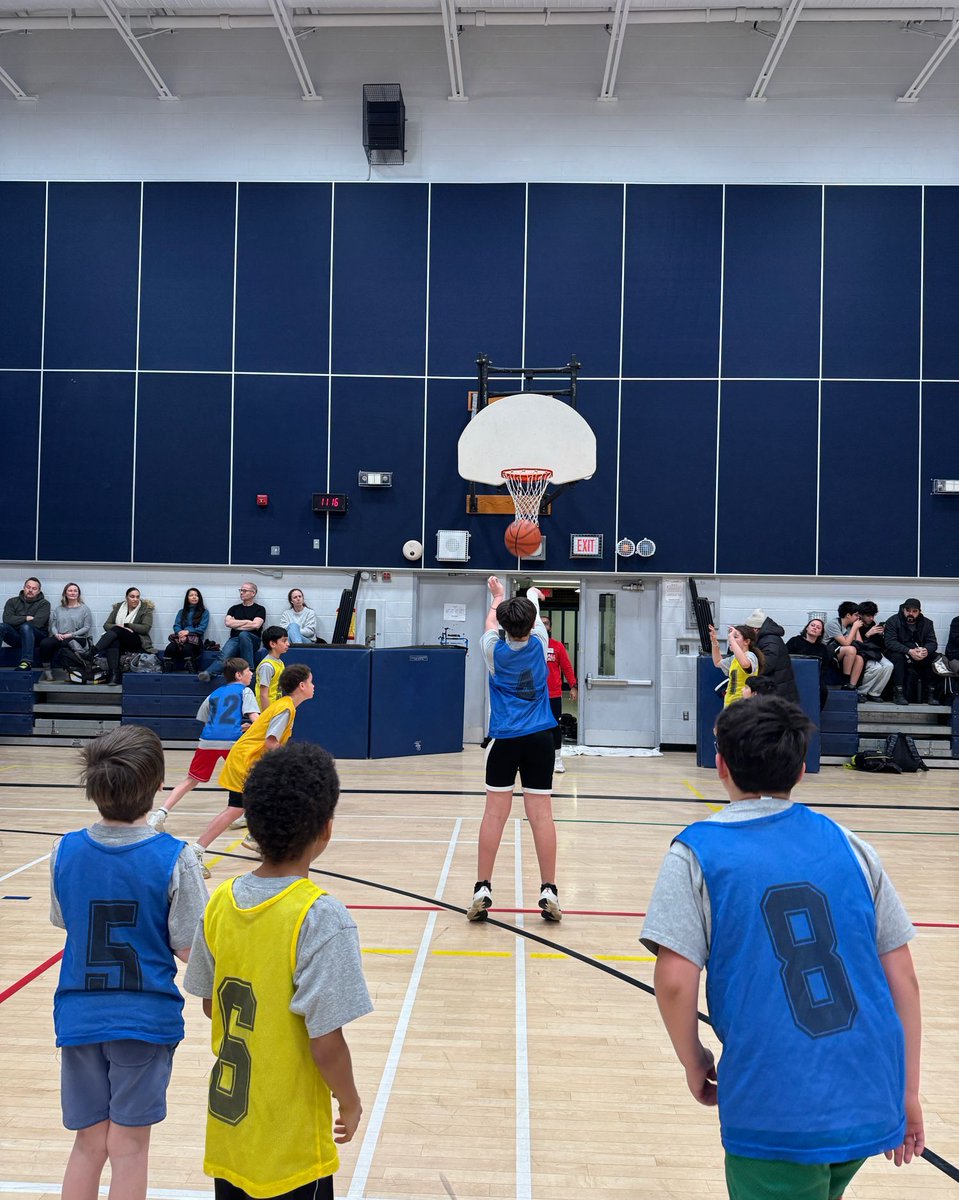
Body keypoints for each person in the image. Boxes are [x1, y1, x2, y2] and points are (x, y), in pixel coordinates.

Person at [641, 697, 923, 1200]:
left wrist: (694, 1058)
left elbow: (675, 980)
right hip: (866, 1089)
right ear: (799, 768)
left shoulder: (696, 852)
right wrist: (907, 1091)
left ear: (721, 764)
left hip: (777, 1101)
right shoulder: (851, 845)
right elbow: (904, 979)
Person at [184, 741, 372, 1200]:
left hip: (230, 1129)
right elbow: (326, 1040)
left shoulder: (221, 902)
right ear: (325, 829)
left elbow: (212, 1006)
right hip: (289, 1145)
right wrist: (349, 1100)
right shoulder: (320, 917)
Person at [49, 725, 208, 1200]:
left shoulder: (65, 849)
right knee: (130, 1148)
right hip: (143, 1018)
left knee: (88, 1145)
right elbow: (190, 947)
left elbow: (65, 919)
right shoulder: (176, 857)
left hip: (79, 1016)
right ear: (158, 784)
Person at [469, 577, 560, 924]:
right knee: (542, 817)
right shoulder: (540, 640)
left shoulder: (492, 649)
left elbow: (491, 621)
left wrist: (497, 596)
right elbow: (533, 608)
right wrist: (533, 594)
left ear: (505, 626)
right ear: (530, 624)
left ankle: (482, 887)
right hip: (540, 739)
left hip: (505, 740)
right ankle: (549, 888)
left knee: (494, 815)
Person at [190, 663, 315, 878]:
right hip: (245, 762)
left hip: (248, 760)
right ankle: (196, 852)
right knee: (238, 809)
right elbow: (271, 742)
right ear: (302, 685)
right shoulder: (285, 708)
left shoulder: (285, 705)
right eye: (311, 682)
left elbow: (265, 733)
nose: (314, 686)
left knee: (264, 803)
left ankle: (256, 839)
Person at [147, 657, 259, 832]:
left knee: (190, 781)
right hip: (232, 741)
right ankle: (247, 815)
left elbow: (205, 719)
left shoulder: (213, 694)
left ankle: (159, 814)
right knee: (251, 777)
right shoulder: (245, 692)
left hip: (208, 740)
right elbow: (256, 720)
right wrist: (251, 726)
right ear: (239, 675)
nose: (251, 673)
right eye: (248, 671)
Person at [89, 587, 155, 686]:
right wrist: (120, 627)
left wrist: (126, 625)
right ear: (126, 598)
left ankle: (91, 653)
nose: (135, 599)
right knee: (114, 641)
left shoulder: (145, 609)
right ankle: (114, 676)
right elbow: (106, 625)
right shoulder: (118, 608)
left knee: (117, 629)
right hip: (120, 640)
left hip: (137, 640)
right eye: (132, 597)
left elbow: (145, 628)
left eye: (137, 597)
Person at [199, 582, 265, 681]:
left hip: (252, 640)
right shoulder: (234, 608)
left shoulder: (260, 609)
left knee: (244, 634)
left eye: (245, 590)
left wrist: (236, 624)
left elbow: (256, 625)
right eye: (241, 590)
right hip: (235, 638)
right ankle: (208, 673)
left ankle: (249, 669)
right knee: (224, 655)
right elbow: (228, 623)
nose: (241, 592)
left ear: (253, 593)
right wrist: (247, 622)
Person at [884, 598, 939, 706]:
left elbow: (933, 643)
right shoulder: (893, 621)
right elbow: (890, 642)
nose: (911, 613)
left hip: (919, 653)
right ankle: (898, 693)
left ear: (919, 612)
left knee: (935, 657)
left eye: (914, 611)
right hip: (900, 652)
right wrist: (909, 651)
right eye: (908, 610)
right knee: (897, 657)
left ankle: (930, 694)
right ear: (903, 610)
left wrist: (925, 650)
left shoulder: (927, 623)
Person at [541, 614, 577, 775]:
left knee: (554, 727)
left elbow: (567, 667)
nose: (544, 626)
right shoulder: (529, 645)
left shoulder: (557, 646)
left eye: (546, 624)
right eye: (540, 624)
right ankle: (533, 759)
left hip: (553, 694)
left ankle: (557, 760)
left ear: (550, 628)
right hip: (533, 695)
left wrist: (573, 686)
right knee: (532, 728)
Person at [39, 583, 94, 681]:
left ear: (78, 593)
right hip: (60, 636)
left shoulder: (85, 609)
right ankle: (47, 671)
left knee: (66, 643)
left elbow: (86, 627)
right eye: (70, 590)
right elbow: (53, 626)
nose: (73, 593)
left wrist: (71, 634)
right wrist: (56, 634)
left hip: (78, 638)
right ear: (65, 593)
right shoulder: (58, 609)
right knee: (45, 643)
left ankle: (69, 672)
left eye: (75, 590)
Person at [744, 608, 800, 703]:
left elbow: (766, 666)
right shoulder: (767, 639)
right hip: (779, 690)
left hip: (777, 693)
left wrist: (748, 662)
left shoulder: (770, 641)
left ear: (755, 629)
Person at [1, 576, 50, 670]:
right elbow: (7, 619)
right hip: (16, 637)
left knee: (26, 627)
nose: (30, 590)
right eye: (28, 587)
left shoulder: (44, 604)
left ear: (39, 591)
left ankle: (26, 662)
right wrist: (26, 618)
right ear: (24, 588)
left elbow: (38, 623)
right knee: (2, 626)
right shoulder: (12, 601)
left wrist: (16, 620)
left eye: (34, 588)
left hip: (37, 638)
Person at [709, 624, 761, 707]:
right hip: (730, 704)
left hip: (744, 706)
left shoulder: (750, 655)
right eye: (732, 637)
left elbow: (745, 664)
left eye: (735, 637)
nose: (731, 639)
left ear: (746, 642)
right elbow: (717, 662)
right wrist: (714, 641)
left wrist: (732, 639)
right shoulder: (734, 658)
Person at [785, 618, 830, 710]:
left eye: (818, 627)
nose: (814, 628)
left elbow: (824, 668)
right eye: (812, 625)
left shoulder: (822, 649)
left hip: (814, 677)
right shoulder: (795, 641)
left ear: (821, 633)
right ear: (807, 628)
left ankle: (816, 713)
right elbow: (785, 659)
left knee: (823, 690)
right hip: (793, 675)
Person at [824, 602, 866, 698]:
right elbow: (846, 643)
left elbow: (860, 644)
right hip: (828, 653)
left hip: (841, 653)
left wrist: (856, 628)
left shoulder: (851, 626)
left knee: (859, 659)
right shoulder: (833, 624)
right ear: (848, 615)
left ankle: (851, 687)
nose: (858, 618)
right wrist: (855, 627)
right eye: (856, 615)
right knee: (850, 649)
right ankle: (846, 680)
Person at [856, 600, 894, 703]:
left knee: (889, 666)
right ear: (861, 615)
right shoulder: (856, 625)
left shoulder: (872, 624)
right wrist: (868, 634)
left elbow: (879, 645)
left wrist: (880, 635)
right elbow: (857, 644)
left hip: (874, 652)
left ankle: (874, 693)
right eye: (868, 616)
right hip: (863, 653)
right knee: (876, 668)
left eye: (873, 615)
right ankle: (861, 692)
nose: (872, 618)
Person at [165, 587, 209, 673]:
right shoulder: (181, 612)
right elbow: (176, 625)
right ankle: (167, 673)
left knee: (187, 649)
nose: (194, 597)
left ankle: (192, 673)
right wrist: (180, 633)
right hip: (180, 638)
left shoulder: (204, 612)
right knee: (170, 648)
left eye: (196, 595)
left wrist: (188, 632)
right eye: (191, 595)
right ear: (187, 598)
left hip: (195, 640)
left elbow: (201, 628)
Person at [257, 626, 290, 711]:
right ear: (272, 644)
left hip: (275, 709)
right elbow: (263, 695)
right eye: (284, 641)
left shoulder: (280, 663)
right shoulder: (267, 666)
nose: (288, 644)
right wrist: (267, 716)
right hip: (266, 711)